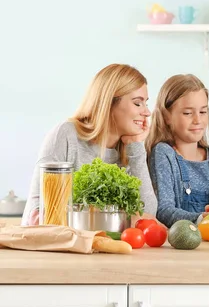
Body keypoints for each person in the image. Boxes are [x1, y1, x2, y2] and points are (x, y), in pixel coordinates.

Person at [22, 63, 158, 226]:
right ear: (109, 102)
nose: (147, 112)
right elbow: (37, 213)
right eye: (137, 103)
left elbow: (148, 216)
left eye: (146, 103)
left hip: (108, 246)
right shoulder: (66, 135)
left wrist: (135, 147)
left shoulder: (130, 150)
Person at [146, 74, 209, 228]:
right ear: (167, 116)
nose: (197, 120)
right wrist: (202, 218)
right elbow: (164, 211)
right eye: (188, 113)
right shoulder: (164, 153)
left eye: (203, 112)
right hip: (182, 247)